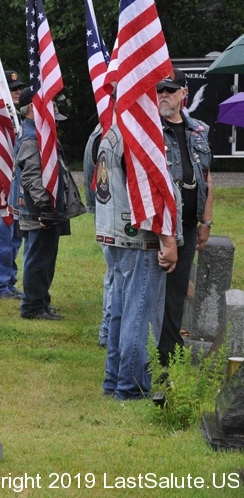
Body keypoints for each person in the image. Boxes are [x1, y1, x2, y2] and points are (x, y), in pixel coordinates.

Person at [95, 125, 179, 400]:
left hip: (117, 234)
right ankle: (132, 387)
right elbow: (148, 193)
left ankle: (114, 381)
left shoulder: (114, 130)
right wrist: (167, 240)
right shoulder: (137, 130)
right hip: (139, 238)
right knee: (139, 314)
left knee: (121, 312)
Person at [156, 67, 214, 366]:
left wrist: (206, 221)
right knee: (155, 291)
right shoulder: (150, 130)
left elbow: (206, 177)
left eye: (170, 90)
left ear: (183, 93)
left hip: (189, 223)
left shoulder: (199, 130)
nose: (163, 95)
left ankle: (169, 351)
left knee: (178, 290)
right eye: (159, 90)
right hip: (159, 225)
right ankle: (155, 351)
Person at [11, 87, 66, 320]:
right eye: (48, 103)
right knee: (39, 258)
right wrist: (45, 207)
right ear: (34, 108)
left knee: (45, 257)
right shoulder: (32, 137)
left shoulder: (35, 132)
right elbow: (32, 176)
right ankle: (32, 306)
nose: (52, 108)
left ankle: (41, 301)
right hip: (39, 210)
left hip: (41, 208)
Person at [0, 70, 26, 299]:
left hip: (15, 184)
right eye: (13, 89)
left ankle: (8, 281)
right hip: (2, 183)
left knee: (14, 236)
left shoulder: (15, 116)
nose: (18, 91)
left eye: (19, 88)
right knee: (1, 235)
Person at [83, 123, 111, 348]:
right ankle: (108, 332)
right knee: (116, 274)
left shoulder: (101, 130)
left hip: (106, 213)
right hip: (113, 215)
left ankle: (109, 332)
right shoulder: (106, 134)